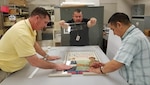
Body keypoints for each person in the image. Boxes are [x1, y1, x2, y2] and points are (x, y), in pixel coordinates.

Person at [0, 7, 72, 83]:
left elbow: (33, 43)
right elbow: (34, 62)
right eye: (45, 22)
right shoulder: (22, 33)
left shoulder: (29, 27)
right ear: (37, 18)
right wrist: (56, 66)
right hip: (4, 70)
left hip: (16, 68)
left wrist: (46, 56)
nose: (45, 26)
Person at [89, 12, 150, 85]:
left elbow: (116, 64)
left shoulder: (133, 38)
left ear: (119, 25)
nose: (114, 33)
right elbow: (123, 61)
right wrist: (105, 65)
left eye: (113, 29)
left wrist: (100, 70)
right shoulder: (134, 34)